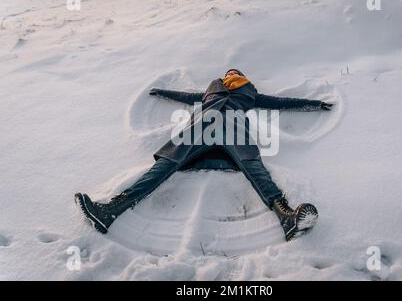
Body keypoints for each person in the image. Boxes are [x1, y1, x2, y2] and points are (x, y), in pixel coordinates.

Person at [75, 69, 334, 241]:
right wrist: (163, 92)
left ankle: (286, 217)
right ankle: (109, 210)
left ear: (243, 77)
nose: (232, 73)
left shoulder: (251, 94)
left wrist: (313, 104)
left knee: (255, 169)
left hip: (234, 130)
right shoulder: (213, 89)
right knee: (164, 166)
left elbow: (280, 102)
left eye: (236, 73)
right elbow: (189, 97)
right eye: (229, 72)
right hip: (199, 130)